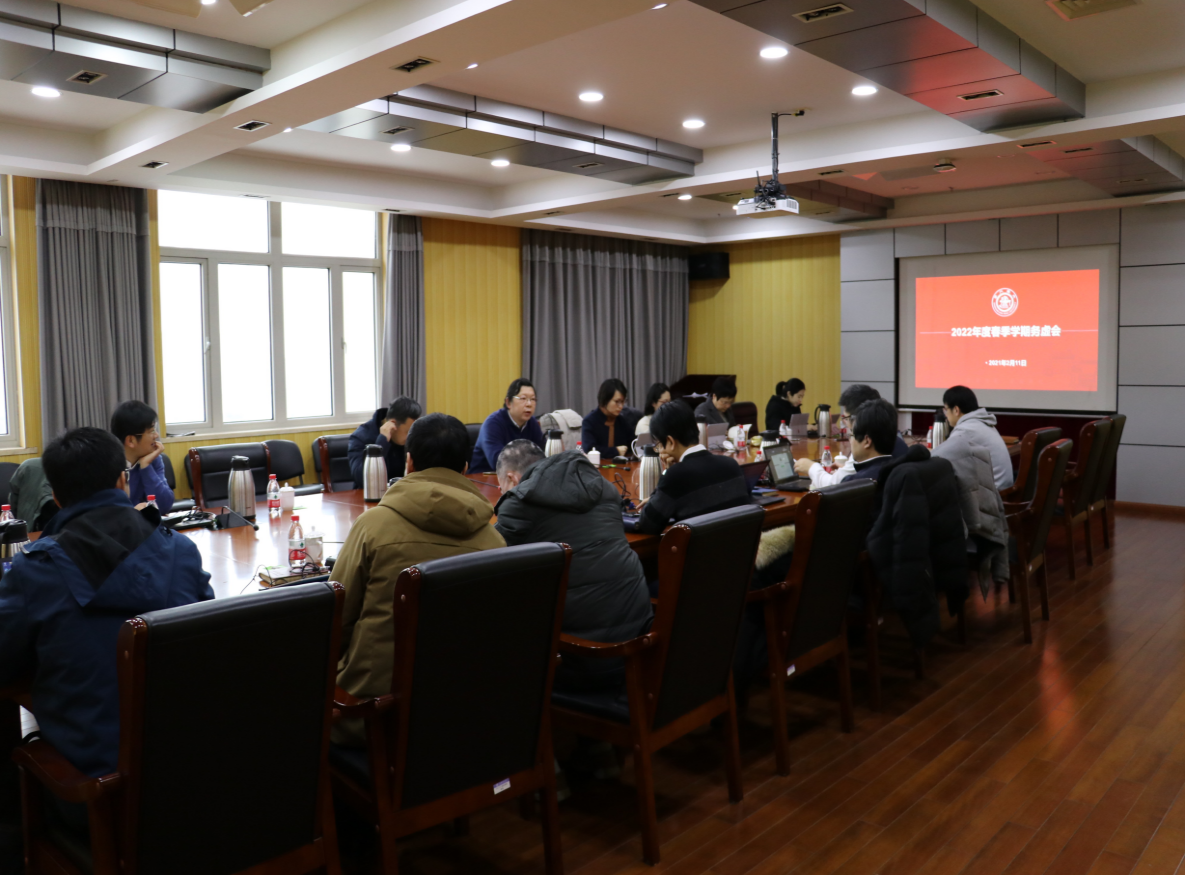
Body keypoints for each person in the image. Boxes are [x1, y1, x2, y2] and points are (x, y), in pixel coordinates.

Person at [0, 427, 211, 804]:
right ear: (122, 481)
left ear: (56, 497)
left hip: (96, 791)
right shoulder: (181, 550)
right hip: (191, 772)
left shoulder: (35, 571)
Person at [332, 413, 505, 746]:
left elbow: (337, 621)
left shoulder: (373, 526)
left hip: (374, 717)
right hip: (462, 712)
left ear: (408, 462)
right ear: (465, 467)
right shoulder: (494, 541)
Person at [493, 440, 652, 691]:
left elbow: (492, 566)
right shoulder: (604, 488)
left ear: (511, 478)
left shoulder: (520, 502)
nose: (503, 492)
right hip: (642, 648)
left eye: (501, 487)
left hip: (586, 660)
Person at [636, 400, 751, 535]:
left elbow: (648, 525)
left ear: (671, 442)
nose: (660, 451)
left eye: (659, 445)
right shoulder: (732, 465)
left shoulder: (675, 477)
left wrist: (667, 474)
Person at [795, 385, 909, 487]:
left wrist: (811, 468)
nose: (845, 422)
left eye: (846, 418)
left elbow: (833, 487)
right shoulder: (892, 442)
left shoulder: (865, 474)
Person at [932, 386, 1014, 490]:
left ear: (956, 410)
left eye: (946, 410)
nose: (946, 415)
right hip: (1005, 489)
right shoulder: (983, 423)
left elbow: (938, 457)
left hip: (994, 494)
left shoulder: (966, 429)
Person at [110, 400, 174, 513]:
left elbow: (164, 506)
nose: (156, 435)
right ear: (131, 440)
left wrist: (146, 467)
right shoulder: (108, 466)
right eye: (151, 431)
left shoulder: (153, 460)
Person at [470, 378, 545, 472]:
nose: (529, 404)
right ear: (508, 402)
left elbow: (542, 455)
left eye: (533, 399)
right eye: (523, 398)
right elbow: (498, 462)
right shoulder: (493, 424)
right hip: (482, 477)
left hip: (517, 477)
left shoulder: (532, 423)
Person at [347, 396, 422, 488]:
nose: (411, 437)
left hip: (403, 492)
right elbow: (361, 479)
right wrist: (382, 442)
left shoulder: (412, 437)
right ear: (393, 424)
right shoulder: (361, 437)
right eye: (408, 432)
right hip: (371, 494)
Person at [582, 379, 636, 459]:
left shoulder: (622, 421)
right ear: (605, 400)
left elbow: (633, 445)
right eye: (617, 402)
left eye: (623, 402)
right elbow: (590, 450)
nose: (621, 406)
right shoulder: (589, 421)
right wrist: (615, 451)